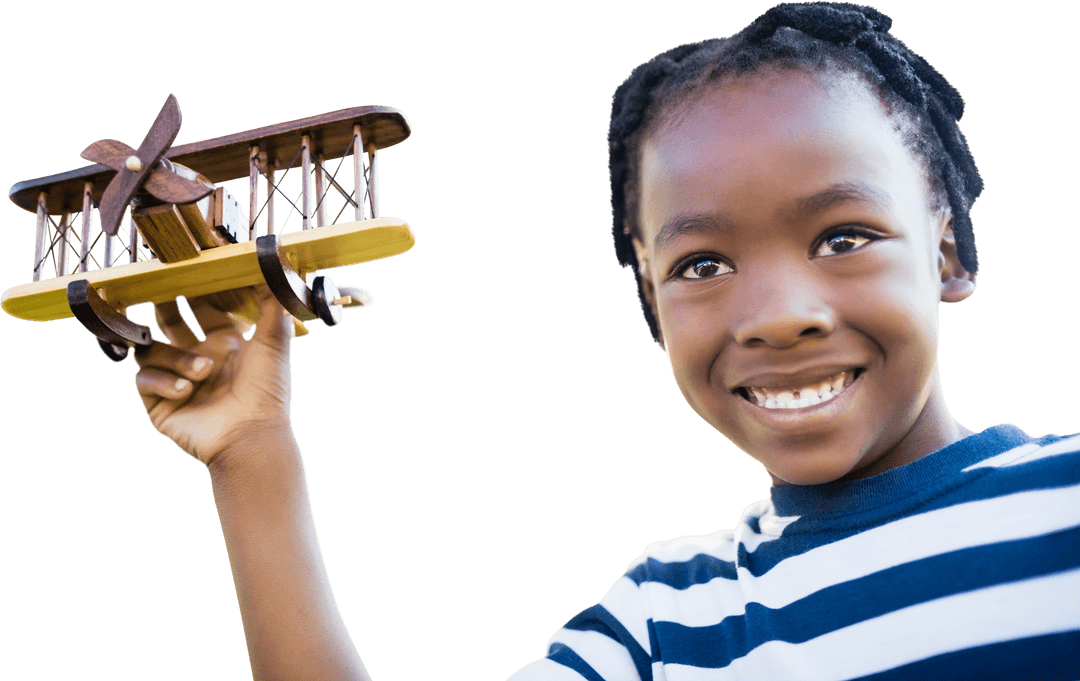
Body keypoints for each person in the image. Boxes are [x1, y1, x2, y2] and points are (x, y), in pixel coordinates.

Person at [132, 2, 1079, 679]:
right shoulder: (664, 621)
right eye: (702, 264)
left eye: (844, 238)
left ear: (946, 250)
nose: (780, 313)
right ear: (650, 301)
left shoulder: (1060, 516)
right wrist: (255, 459)